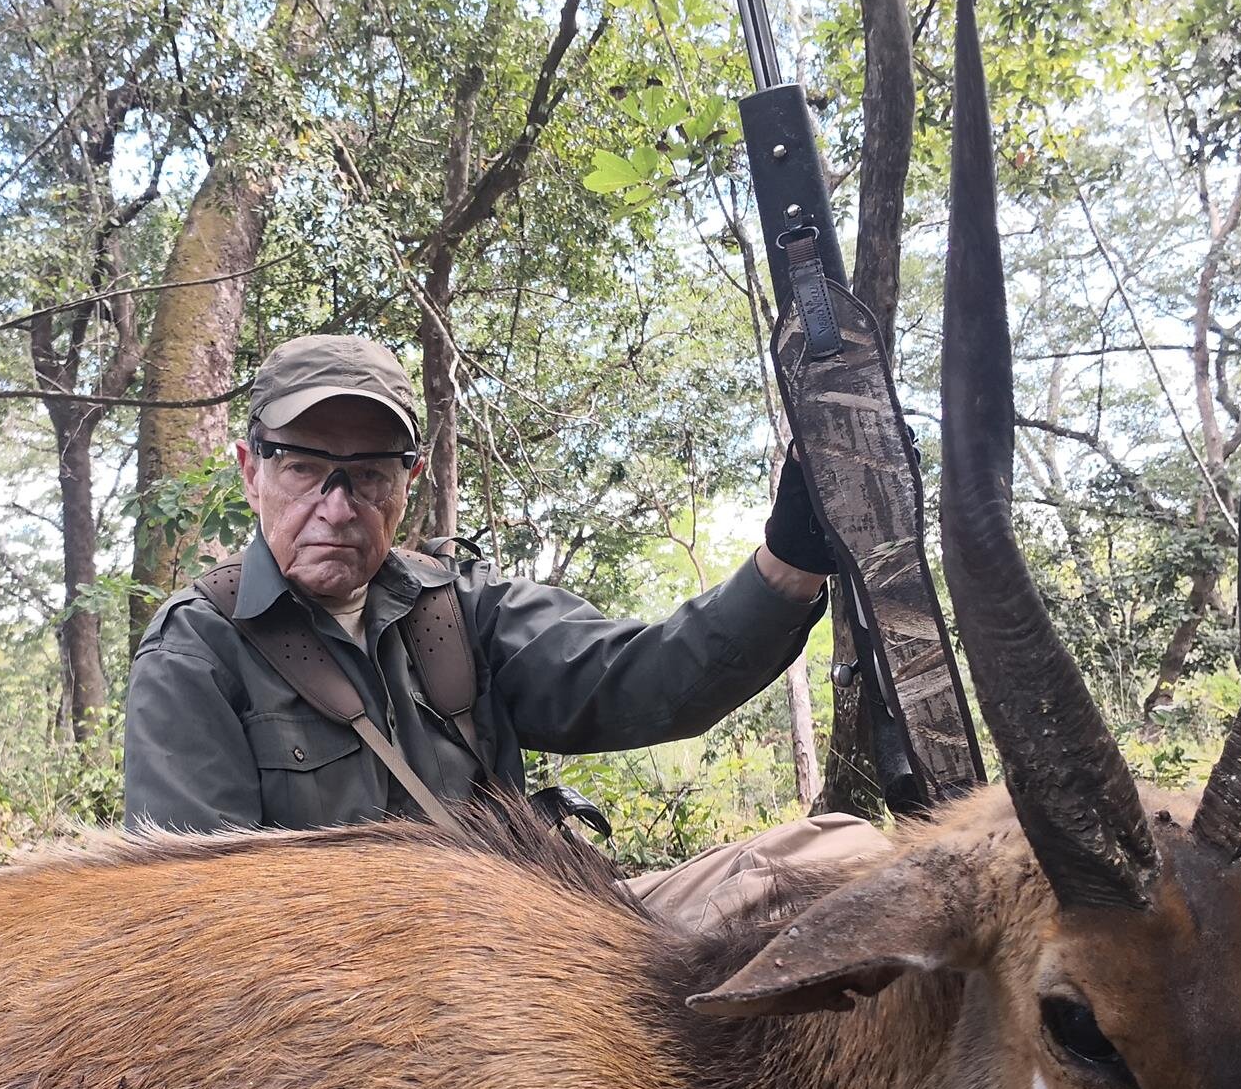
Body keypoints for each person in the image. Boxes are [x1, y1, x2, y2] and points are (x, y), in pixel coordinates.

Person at [122, 334, 887, 928]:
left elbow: (646, 677)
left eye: (369, 472)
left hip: (538, 943)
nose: (337, 502)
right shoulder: (196, 652)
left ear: (408, 482)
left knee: (844, 853)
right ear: (249, 469)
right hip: (358, 1018)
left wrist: (790, 560)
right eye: (303, 467)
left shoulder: (454, 608)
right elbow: (202, 926)